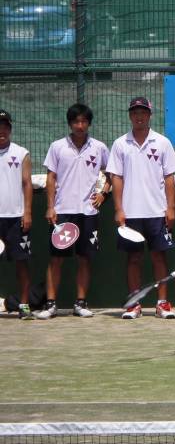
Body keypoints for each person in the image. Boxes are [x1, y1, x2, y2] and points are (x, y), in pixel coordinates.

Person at [106, 97, 175, 319]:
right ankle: (134, 304)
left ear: (150, 115)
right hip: (130, 213)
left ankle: (162, 303)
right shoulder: (120, 144)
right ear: (130, 115)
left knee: (159, 258)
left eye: (143, 112)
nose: (139, 116)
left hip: (157, 212)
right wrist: (119, 209)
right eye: (135, 112)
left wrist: (171, 208)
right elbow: (116, 178)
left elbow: (169, 178)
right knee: (134, 259)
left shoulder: (162, 142)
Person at [35, 104, 111, 319]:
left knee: (85, 258)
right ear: (70, 123)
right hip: (62, 211)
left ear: (89, 123)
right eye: (76, 122)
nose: (80, 125)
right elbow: (51, 177)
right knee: (56, 259)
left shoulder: (99, 148)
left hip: (88, 213)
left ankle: (80, 303)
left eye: (84, 121)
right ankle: (50, 305)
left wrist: (103, 193)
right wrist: (50, 207)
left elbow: (111, 173)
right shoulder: (57, 147)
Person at [0, 110, 34, 320]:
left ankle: (24, 306)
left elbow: (27, 183)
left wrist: (27, 212)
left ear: (10, 129)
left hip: (16, 219)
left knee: (22, 263)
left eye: (4, 126)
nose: (1, 130)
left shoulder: (21, 153)